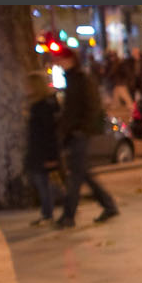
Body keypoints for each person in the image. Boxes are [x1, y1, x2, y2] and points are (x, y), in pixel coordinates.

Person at [50, 42, 119, 227]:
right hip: (73, 133)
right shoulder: (71, 79)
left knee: (76, 176)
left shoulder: (81, 79)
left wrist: (82, 129)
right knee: (82, 173)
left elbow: (91, 107)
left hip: (80, 133)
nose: (58, 62)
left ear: (69, 59)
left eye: (61, 59)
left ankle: (69, 215)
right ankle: (108, 204)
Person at [24, 73, 61, 228]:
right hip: (38, 152)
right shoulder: (38, 106)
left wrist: (51, 155)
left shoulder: (41, 107)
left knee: (44, 184)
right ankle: (49, 212)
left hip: (42, 153)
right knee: (43, 183)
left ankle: (48, 213)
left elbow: (47, 132)